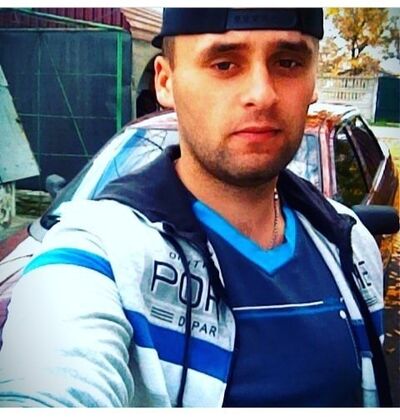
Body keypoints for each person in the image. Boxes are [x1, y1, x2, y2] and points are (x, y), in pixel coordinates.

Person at [0, 8, 392, 407]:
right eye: (224, 64)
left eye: (288, 62)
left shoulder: (348, 243)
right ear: (165, 82)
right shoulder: (103, 253)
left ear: (312, 81)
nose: (262, 94)